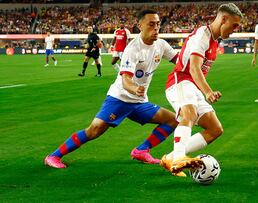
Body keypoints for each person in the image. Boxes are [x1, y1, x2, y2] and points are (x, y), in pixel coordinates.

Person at [45, 10, 179, 169]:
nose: (156, 28)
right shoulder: (133, 49)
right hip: (120, 98)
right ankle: (54, 156)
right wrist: (135, 89)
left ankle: (141, 150)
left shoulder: (161, 45)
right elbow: (125, 80)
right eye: (151, 24)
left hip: (139, 102)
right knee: (94, 130)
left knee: (173, 120)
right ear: (140, 26)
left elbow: (180, 61)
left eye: (157, 24)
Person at [160, 3, 242, 175]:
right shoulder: (201, 36)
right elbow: (194, 69)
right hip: (180, 81)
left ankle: (170, 157)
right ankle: (179, 159)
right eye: (234, 25)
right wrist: (208, 92)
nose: (235, 29)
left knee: (215, 129)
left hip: (192, 87)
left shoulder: (213, 39)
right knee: (189, 114)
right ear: (223, 19)